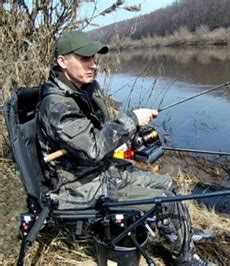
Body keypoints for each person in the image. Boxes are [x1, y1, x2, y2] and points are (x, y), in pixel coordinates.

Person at [36, 31, 205, 264]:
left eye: (94, 58)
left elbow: (104, 127)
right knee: (166, 201)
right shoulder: (56, 104)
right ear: (62, 61)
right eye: (85, 59)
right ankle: (185, 259)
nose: (93, 65)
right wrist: (133, 119)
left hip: (99, 169)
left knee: (167, 184)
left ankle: (181, 236)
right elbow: (93, 148)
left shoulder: (84, 89)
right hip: (79, 184)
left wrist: (132, 131)